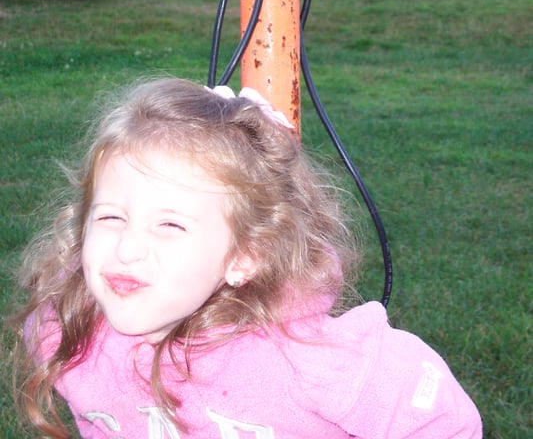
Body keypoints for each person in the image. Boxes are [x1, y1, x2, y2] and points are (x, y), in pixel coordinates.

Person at [9, 77, 482, 439]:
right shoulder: (66, 334)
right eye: (111, 217)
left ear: (245, 255)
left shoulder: (314, 363)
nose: (127, 248)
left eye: (170, 225)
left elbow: (442, 421)